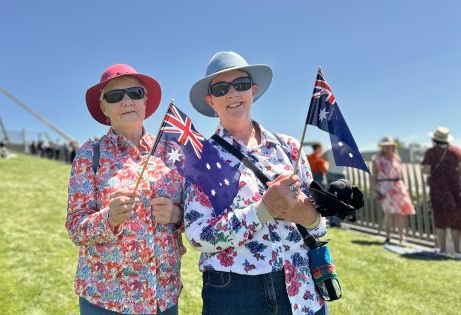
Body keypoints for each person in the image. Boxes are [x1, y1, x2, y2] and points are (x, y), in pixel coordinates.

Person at [185, 51, 327, 315]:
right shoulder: (201, 158)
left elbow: (319, 227)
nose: (232, 93)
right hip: (235, 290)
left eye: (240, 85)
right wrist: (263, 211)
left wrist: (308, 216)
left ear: (253, 90)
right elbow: (196, 235)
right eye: (220, 88)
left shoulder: (289, 147)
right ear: (210, 100)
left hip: (300, 283)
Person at [66, 64, 185, 314]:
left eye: (135, 93)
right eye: (115, 96)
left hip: (163, 297)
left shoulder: (169, 152)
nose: (127, 101)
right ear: (104, 108)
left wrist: (176, 215)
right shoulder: (90, 155)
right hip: (107, 299)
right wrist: (109, 219)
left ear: (145, 100)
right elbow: (76, 228)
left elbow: (195, 216)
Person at [421, 127, 461, 253]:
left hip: (438, 187)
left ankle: (443, 249)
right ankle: (457, 250)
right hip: (454, 187)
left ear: (434, 139)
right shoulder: (456, 151)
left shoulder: (431, 152)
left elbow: (426, 170)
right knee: (456, 218)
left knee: (440, 217)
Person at [371, 136, 415, 244]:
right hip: (385, 187)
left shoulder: (397, 158)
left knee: (401, 213)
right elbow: (374, 175)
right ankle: (388, 237)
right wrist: (373, 189)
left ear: (393, 146)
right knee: (388, 213)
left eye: (390, 145)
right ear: (382, 147)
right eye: (385, 146)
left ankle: (401, 237)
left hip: (398, 186)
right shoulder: (376, 159)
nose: (388, 147)